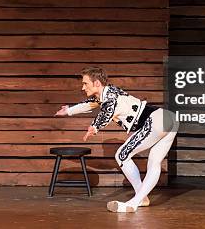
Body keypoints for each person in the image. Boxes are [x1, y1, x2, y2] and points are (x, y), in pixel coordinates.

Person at [54, 67, 178, 213]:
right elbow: (91, 104)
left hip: (155, 119)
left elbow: (108, 110)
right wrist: (69, 110)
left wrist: (95, 127)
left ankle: (136, 201)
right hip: (169, 118)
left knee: (121, 155)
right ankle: (141, 199)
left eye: (85, 83)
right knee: (154, 162)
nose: (83, 87)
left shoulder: (110, 97)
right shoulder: (107, 94)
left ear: (97, 83)